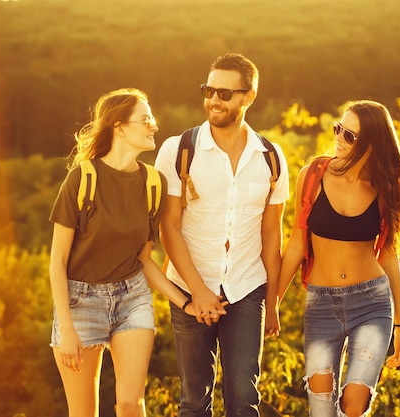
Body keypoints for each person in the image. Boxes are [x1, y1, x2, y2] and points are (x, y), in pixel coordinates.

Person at [49, 88, 206, 417]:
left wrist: (186, 301)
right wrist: (67, 329)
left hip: (131, 297)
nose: (153, 126)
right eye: (145, 119)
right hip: (80, 302)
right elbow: (57, 262)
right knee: (83, 412)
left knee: (131, 404)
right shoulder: (83, 179)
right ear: (119, 126)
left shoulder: (153, 184)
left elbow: (144, 260)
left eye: (153, 119)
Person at [154, 53, 289, 416]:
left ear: (248, 97)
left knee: (244, 402)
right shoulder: (179, 150)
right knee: (194, 402)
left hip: (247, 288)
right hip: (188, 287)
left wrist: (272, 302)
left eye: (224, 93)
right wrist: (198, 292)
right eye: (208, 90)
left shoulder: (272, 157)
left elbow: (272, 234)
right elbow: (168, 226)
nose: (213, 100)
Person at [277, 100, 400, 417]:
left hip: (372, 302)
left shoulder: (386, 187)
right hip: (321, 303)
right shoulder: (311, 176)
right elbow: (296, 242)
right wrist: (273, 304)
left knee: (355, 404)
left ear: (371, 144)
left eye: (350, 136)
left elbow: (390, 256)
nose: (339, 137)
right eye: (339, 128)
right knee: (322, 408)